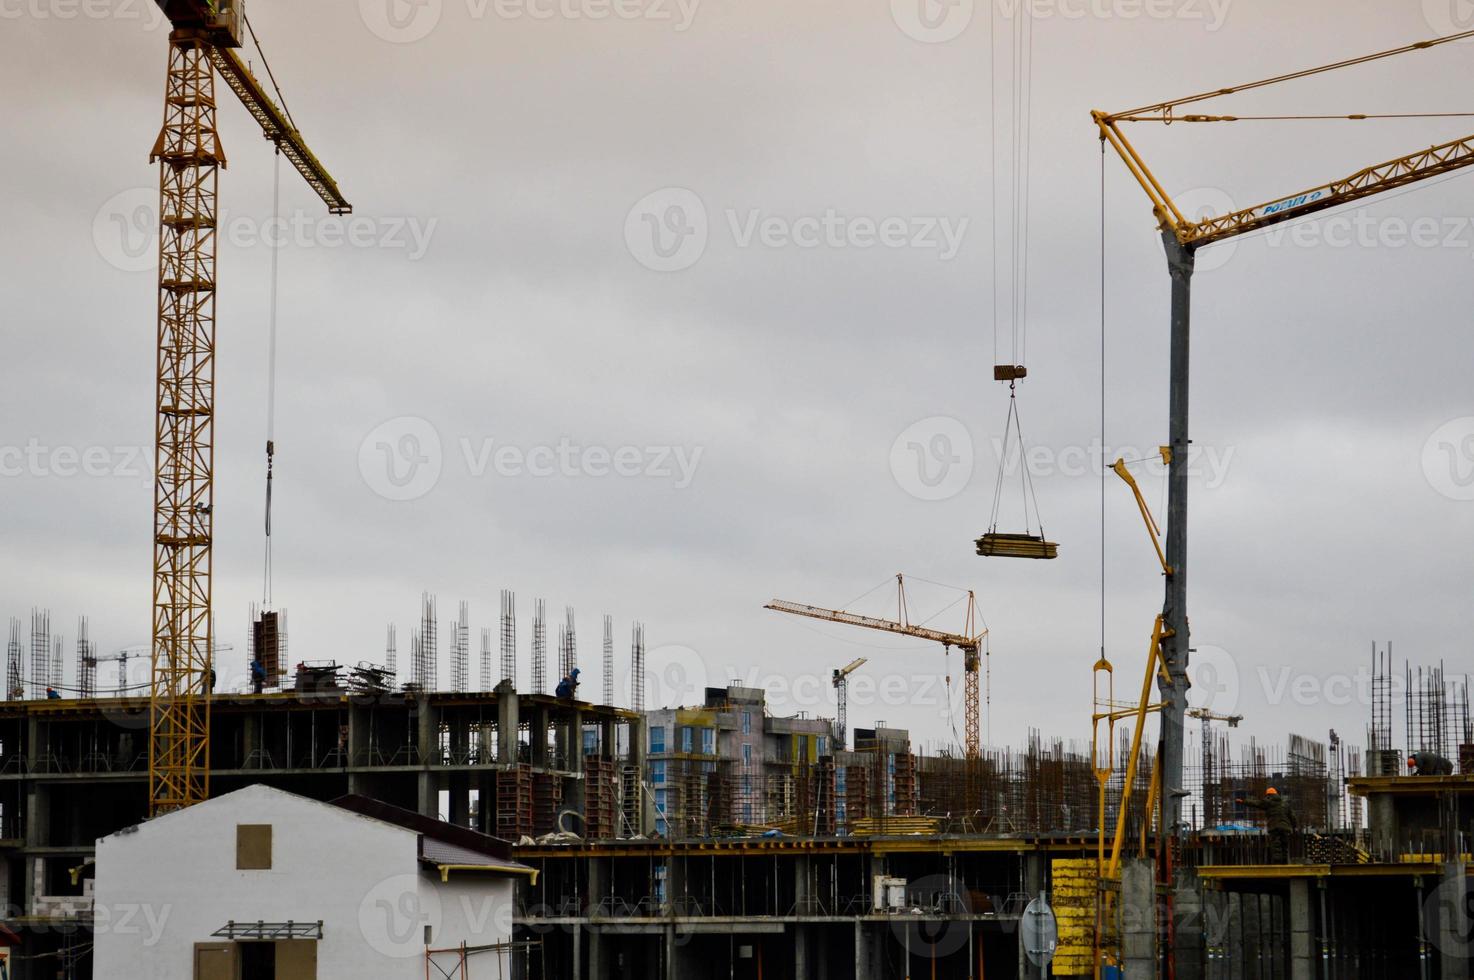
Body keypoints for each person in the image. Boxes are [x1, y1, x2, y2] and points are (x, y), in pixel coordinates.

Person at [1238, 787, 1298, 863]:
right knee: (1284, 846)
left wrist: (1243, 801)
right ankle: (1285, 864)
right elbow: (1292, 817)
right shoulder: (1285, 804)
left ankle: (1278, 865)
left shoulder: (1267, 802)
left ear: (1268, 795)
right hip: (1285, 828)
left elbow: (1255, 803)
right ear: (1276, 794)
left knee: (1276, 846)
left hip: (1274, 827)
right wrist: (1294, 826)